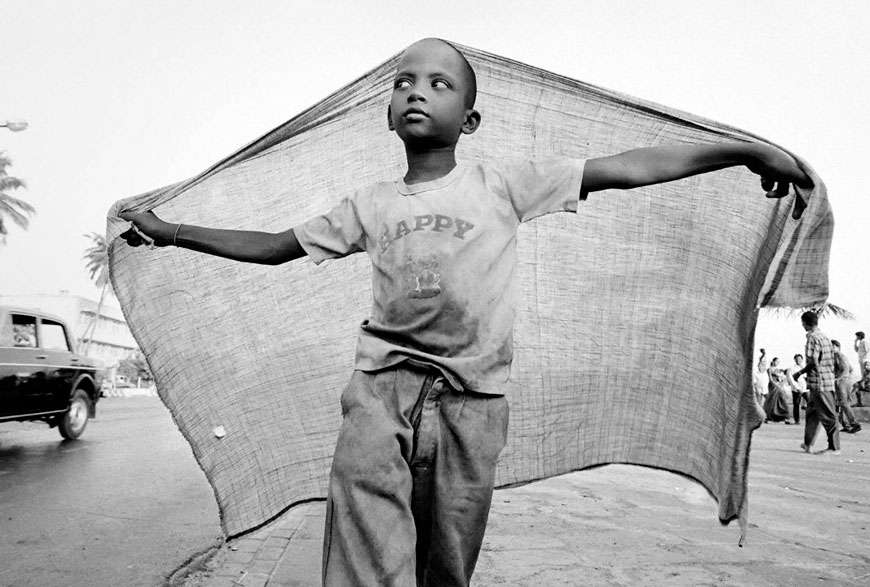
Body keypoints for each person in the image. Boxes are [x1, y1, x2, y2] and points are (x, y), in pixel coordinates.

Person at [119, 38, 813, 587]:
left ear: (470, 119)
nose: (416, 90)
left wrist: (743, 150)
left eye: (438, 83)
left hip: (471, 406)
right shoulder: (368, 204)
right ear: (389, 115)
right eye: (403, 82)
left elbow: (628, 165)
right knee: (367, 558)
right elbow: (274, 246)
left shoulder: (502, 186)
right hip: (379, 396)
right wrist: (172, 230)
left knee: (447, 566)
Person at [793, 311, 840, 456]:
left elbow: (813, 361)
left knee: (828, 415)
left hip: (820, 383)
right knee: (812, 413)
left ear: (804, 323)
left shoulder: (813, 338)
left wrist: (799, 373)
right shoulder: (824, 337)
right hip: (822, 382)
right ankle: (808, 444)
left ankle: (834, 448)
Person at [832, 340, 861, 433]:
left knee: (843, 402)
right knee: (843, 403)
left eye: (834, 347)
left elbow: (845, 369)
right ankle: (846, 425)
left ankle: (854, 423)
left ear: (838, 347)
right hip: (846, 381)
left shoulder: (839, 356)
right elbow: (851, 369)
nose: (832, 348)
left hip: (842, 381)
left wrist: (838, 379)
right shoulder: (838, 356)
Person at [762, 357, 791, 423]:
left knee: (782, 400)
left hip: (779, 385)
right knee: (772, 400)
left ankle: (784, 416)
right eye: (776, 361)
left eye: (778, 362)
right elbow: (770, 379)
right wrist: (776, 385)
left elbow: (781, 378)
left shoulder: (778, 369)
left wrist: (781, 381)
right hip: (773, 386)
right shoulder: (769, 369)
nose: (777, 363)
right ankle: (769, 416)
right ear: (773, 361)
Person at [786, 353, 808, 424]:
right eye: (797, 359)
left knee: (811, 402)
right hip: (796, 389)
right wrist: (797, 388)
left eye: (800, 359)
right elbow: (791, 380)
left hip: (805, 388)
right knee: (796, 404)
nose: (799, 360)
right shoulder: (791, 368)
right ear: (795, 360)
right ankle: (797, 420)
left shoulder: (805, 367)